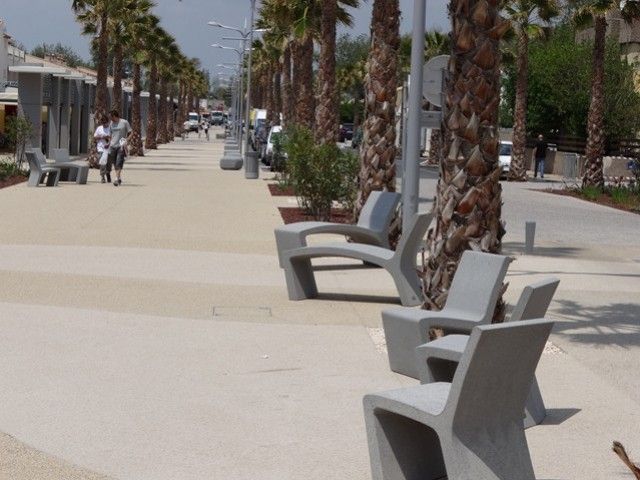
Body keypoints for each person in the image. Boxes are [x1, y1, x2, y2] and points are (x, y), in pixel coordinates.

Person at [107, 110, 132, 186]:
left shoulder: (124, 122)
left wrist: (126, 140)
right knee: (114, 163)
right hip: (112, 146)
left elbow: (131, 132)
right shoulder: (111, 123)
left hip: (121, 145)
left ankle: (116, 179)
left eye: (111, 117)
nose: (110, 119)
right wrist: (109, 142)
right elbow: (110, 134)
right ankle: (119, 177)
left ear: (115, 116)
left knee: (119, 162)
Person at [94, 116, 111, 183]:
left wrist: (108, 141)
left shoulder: (110, 129)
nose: (104, 124)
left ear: (108, 122)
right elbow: (95, 137)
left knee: (108, 163)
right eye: (103, 123)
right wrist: (101, 137)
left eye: (105, 123)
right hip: (100, 148)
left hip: (108, 148)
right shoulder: (99, 128)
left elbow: (113, 137)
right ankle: (102, 177)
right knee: (102, 163)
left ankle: (108, 173)